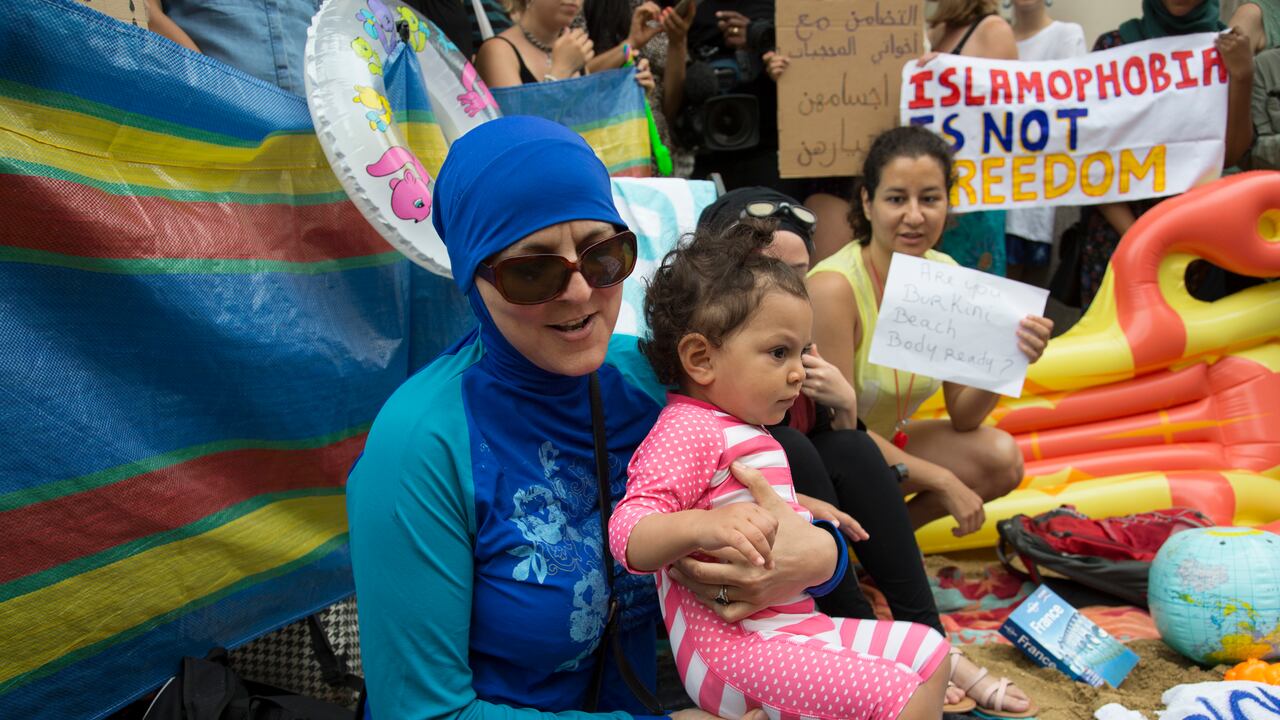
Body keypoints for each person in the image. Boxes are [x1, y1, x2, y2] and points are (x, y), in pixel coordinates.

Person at [347, 115, 849, 718]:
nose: (581, 292)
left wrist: (822, 557)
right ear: (473, 279)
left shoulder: (648, 384)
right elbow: (422, 713)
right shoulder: (420, 449)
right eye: (533, 270)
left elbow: (793, 510)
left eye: (603, 255)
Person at [698, 186, 1038, 718]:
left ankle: (929, 636)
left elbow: (835, 440)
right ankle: (867, 641)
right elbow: (737, 452)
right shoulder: (710, 349)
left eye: (799, 273)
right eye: (768, 272)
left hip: (808, 503)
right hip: (744, 516)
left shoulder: (799, 339)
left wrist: (845, 406)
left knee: (850, 446)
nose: (788, 288)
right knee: (798, 448)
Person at [609, 220, 949, 720]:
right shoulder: (690, 428)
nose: (798, 370)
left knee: (931, 652)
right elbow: (627, 530)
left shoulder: (743, 428)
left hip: (793, 629)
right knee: (893, 693)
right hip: (735, 649)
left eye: (802, 351)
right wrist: (702, 525)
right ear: (701, 357)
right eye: (779, 352)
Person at [808, 124, 1052, 556]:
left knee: (1000, 458)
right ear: (866, 202)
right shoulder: (835, 288)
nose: (915, 216)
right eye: (897, 199)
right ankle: (868, 553)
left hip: (886, 441)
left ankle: (877, 552)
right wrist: (942, 480)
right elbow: (836, 430)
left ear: (947, 203)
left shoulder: (946, 276)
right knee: (941, 471)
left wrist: (1009, 356)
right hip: (826, 457)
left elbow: (964, 417)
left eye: (930, 199)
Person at [1078, 0, 1254, 308]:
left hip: (1193, 244)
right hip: (1118, 238)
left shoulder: (1226, 48)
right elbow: (1093, 159)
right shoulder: (1114, 47)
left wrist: (1243, 77)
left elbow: (1230, 155)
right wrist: (1141, 240)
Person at [925, 0, 1018, 277]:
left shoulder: (993, 30)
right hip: (934, 186)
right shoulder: (938, 30)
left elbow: (1006, 114)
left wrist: (944, 75)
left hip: (973, 195)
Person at [1004, 0, 1086, 286]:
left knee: (1026, 297)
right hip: (991, 186)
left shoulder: (1066, 35)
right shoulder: (992, 36)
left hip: (1036, 189)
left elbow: (1074, 107)